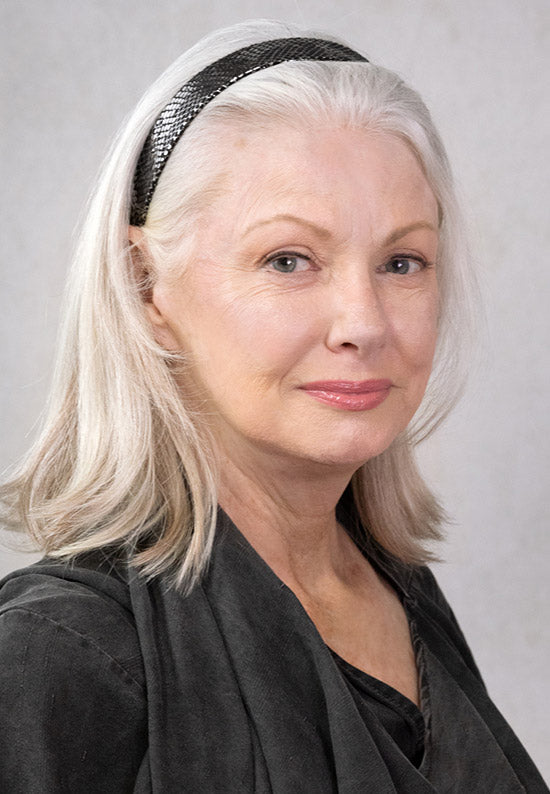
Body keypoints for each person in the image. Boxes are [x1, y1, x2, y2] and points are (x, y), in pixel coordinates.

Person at [0, 18, 547, 793]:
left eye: (402, 262)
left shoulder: (397, 589)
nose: (363, 323)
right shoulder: (60, 655)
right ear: (146, 284)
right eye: (288, 260)